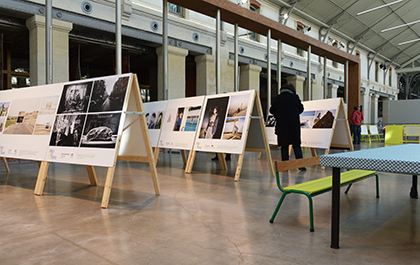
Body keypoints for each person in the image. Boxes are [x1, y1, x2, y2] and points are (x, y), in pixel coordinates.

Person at [270, 83, 305, 170]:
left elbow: (272, 110)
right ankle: (300, 166)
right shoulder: (295, 97)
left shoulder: (277, 98)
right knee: (296, 145)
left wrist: (279, 113)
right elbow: (301, 109)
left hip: (282, 125)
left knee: (284, 146)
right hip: (294, 125)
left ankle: (285, 166)